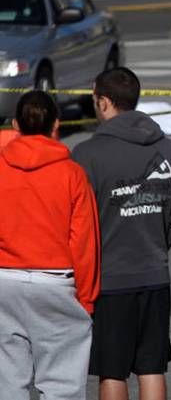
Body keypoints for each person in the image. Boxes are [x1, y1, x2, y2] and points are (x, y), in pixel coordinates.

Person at [72, 67, 171, 400]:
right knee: (152, 366)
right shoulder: (169, 150)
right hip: (155, 274)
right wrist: (156, 243)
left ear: (104, 102)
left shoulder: (86, 155)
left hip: (109, 279)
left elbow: (75, 219)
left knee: (112, 370)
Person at [0, 90, 100, 399]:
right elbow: (84, 241)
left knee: (7, 382)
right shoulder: (72, 174)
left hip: (4, 280)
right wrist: (87, 299)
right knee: (62, 383)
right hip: (55, 282)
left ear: (16, 125)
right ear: (56, 124)